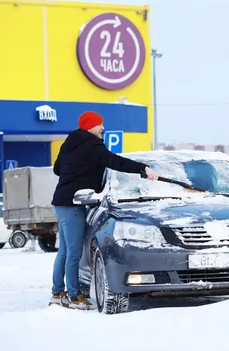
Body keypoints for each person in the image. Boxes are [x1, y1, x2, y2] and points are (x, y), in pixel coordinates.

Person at [49, 111, 160, 310]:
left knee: (64, 252)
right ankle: (74, 297)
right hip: (73, 204)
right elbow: (116, 162)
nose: (102, 128)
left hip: (60, 202)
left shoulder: (70, 142)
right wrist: (143, 168)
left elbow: (58, 169)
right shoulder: (92, 146)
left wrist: (77, 171)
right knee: (73, 253)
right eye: (99, 124)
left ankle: (58, 293)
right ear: (90, 126)